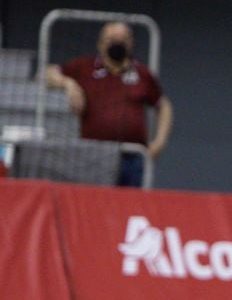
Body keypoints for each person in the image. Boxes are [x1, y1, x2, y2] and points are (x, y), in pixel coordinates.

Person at [45, 21, 173, 188]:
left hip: (132, 156)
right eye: (111, 39)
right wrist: (68, 84)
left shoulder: (142, 74)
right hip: (94, 155)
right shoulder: (84, 67)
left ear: (131, 43)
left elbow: (163, 106)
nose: (117, 44)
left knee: (130, 205)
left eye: (123, 39)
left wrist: (159, 142)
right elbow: (48, 74)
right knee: (94, 203)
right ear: (100, 43)